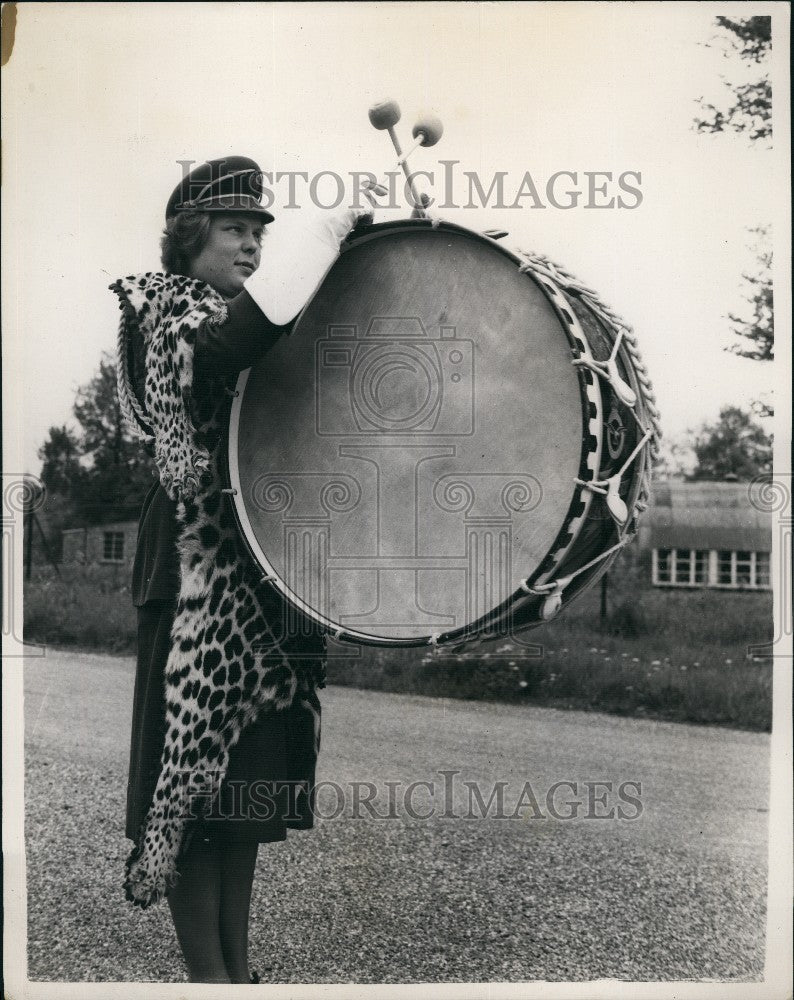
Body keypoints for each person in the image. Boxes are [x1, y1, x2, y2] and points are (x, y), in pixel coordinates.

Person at [112, 156, 379, 983]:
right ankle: (208, 979)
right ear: (188, 239)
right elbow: (234, 342)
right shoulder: (169, 312)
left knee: (236, 805)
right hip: (195, 582)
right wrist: (330, 231)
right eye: (235, 229)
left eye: (262, 231)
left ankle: (234, 971)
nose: (253, 245)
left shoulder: (232, 313)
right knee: (187, 800)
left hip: (256, 582)